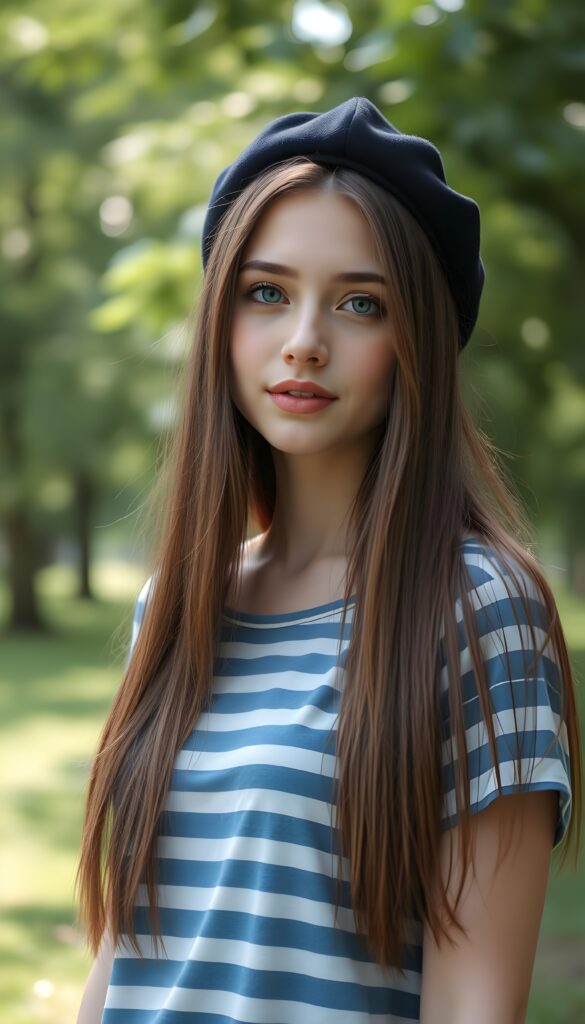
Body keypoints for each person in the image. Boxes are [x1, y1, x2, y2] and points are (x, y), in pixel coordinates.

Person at [75, 96, 581, 1023]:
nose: (304, 338)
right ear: (220, 324)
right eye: (266, 292)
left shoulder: (474, 610)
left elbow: (475, 1007)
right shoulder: (176, 604)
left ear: (414, 343)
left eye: (359, 303)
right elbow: (129, 950)